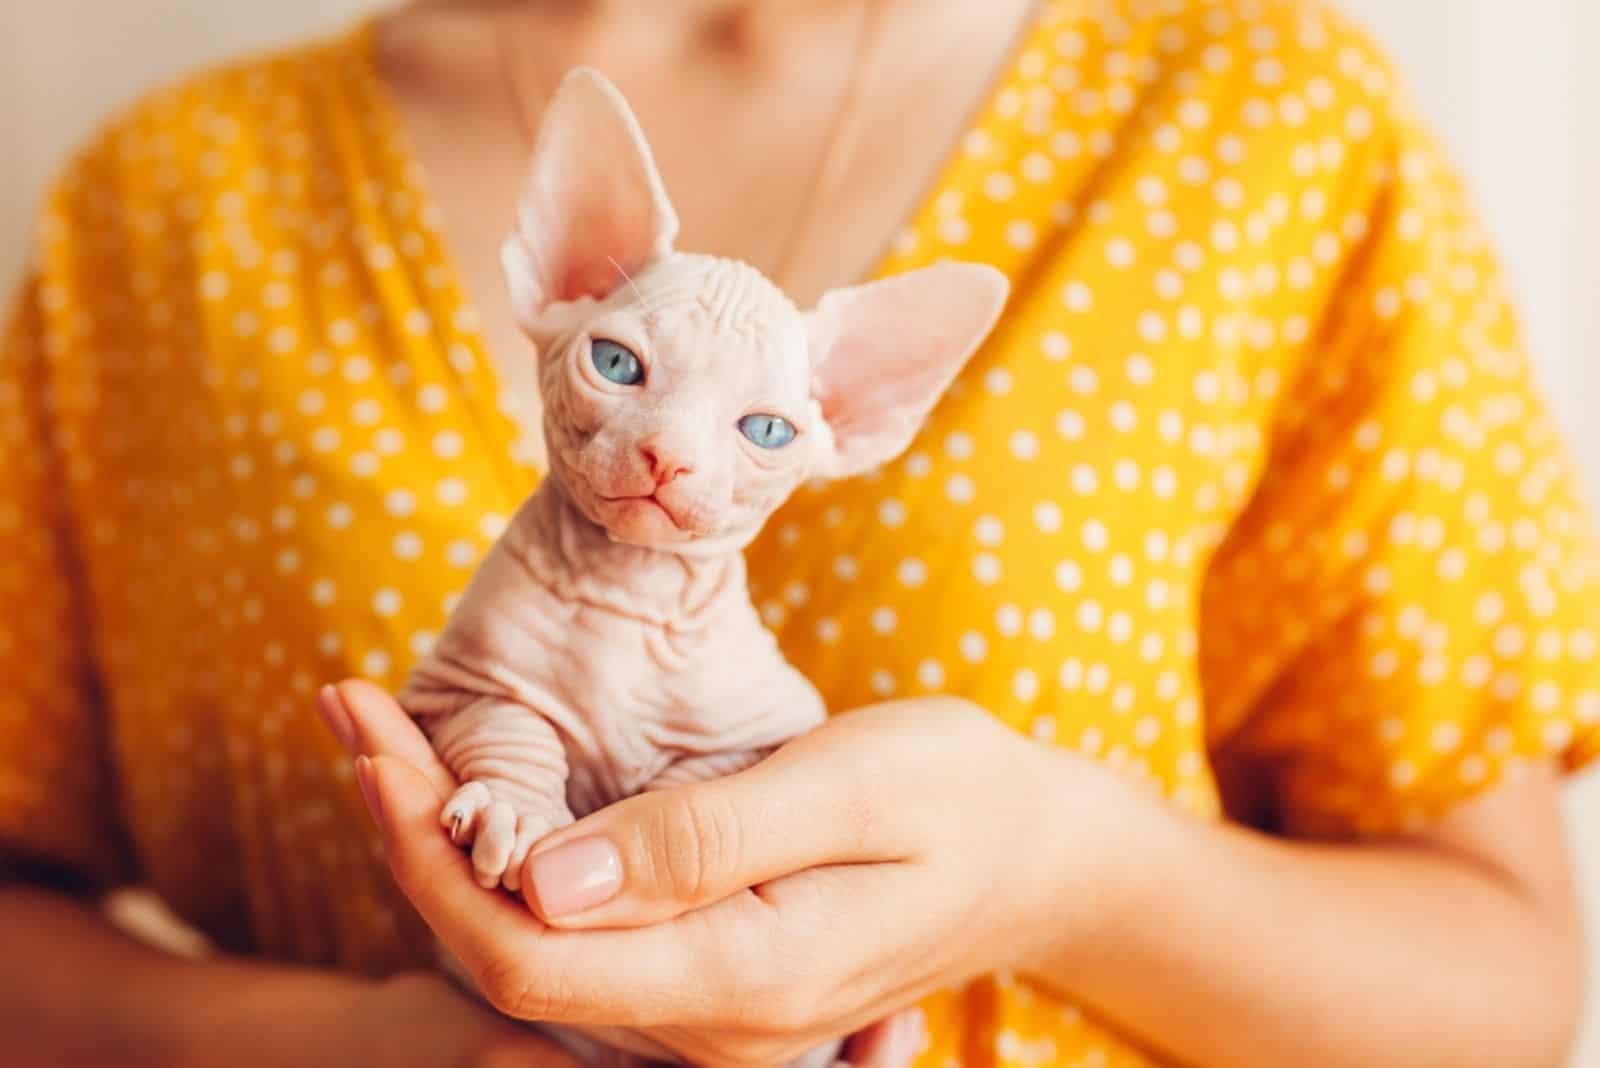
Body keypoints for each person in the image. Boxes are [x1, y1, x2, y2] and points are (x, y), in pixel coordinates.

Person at [2, 0, 1595, 1064]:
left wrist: (1067, 877)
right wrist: (352, 1051)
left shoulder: (1259, 120)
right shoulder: (175, 208)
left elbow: (1517, 999)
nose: (673, 456)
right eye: (620, 366)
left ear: (853, 414)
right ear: (566, 270)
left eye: (755, 427)